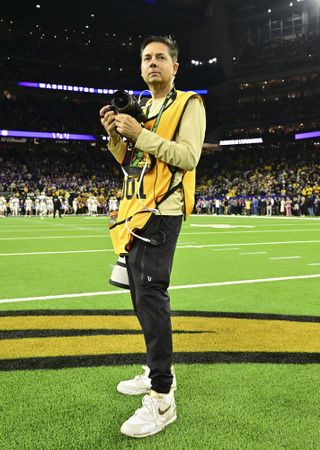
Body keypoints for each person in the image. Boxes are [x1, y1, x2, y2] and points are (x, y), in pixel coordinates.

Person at [100, 35, 206, 438]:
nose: (153, 63)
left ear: (174, 67)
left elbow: (188, 156)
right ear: (140, 68)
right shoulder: (143, 107)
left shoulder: (188, 104)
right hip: (137, 211)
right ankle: (155, 370)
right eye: (147, 58)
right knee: (138, 297)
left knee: (151, 296)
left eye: (161, 57)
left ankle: (163, 397)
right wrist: (116, 134)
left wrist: (139, 134)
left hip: (163, 212)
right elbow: (132, 165)